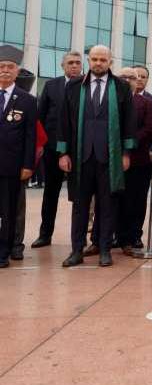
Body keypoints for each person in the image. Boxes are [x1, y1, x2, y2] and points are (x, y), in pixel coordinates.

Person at [57, 45, 136, 267]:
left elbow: (129, 121)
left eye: (103, 59)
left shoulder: (120, 87)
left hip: (110, 157)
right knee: (80, 206)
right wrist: (63, 153)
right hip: (81, 156)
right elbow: (64, 122)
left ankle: (104, 250)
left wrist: (126, 153)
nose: (98, 63)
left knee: (107, 205)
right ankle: (76, 251)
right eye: (94, 59)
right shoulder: (74, 87)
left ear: (110, 62)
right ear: (89, 61)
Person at [33, 51, 82, 249]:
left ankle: (78, 240)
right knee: (50, 193)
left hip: (79, 149)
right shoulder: (51, 85)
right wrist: (40, 145)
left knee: (80, 195)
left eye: (78, 63)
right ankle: (45, 235)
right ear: (62, 66)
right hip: (52, 148)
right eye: (70, 63)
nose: (74, 66)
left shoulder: (87, 86)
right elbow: (40, 116)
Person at [0, 45, 36, 268]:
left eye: (9, 67)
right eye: (1, 66)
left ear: (17, 71)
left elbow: (30, 136)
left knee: (9, 211)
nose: (5, 70)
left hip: (11, 166)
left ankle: (4, 252)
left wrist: (27, 165)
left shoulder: (27, 100)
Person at [114, 67, 152, 255]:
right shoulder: (110, 100)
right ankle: (116, 236)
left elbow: (149, 128)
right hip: (113, 159)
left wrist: (128, 143)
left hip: (138, 159)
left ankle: (133, 236)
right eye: (124, 77)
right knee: (116, 200)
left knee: (136, 200)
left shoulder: (146, 103)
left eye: (133, 77)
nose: (129, 80)